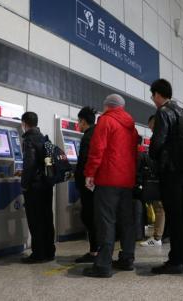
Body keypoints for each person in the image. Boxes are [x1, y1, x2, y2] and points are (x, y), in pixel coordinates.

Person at [82, 94, 138, 278]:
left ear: (107, 106)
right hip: (127, 180)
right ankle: (127, 258)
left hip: (108, 179)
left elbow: (97, 149)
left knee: (106, 220)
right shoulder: (131, 127)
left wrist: (90, 173)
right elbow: (135, 154)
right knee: (126, 221)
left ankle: (103, 265)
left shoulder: (106, 121)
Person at [149, 79, 183, 274]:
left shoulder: (163, 112)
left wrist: (153, 154)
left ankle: (175, 261)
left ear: (158, 94)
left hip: (172, 171)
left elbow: (158, 142)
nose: (153, 99)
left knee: (174, 216)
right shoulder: (182, 111)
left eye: (153, 95)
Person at [20, 112, 55, 263]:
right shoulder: (44, 138)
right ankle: (49, 251)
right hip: (46, 184)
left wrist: (24, 185)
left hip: (35, 186)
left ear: (24, 123)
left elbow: (29, 164)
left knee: (35, 220)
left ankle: (38, 253)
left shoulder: (29, 139)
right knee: (47, 217)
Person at [74, 106, 97, 263]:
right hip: (97, 183)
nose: (78, 125)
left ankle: (94, 251)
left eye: (78, 122)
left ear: (83, 121)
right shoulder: (97, 133)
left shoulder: (87, 137)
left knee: (88, 216)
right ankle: (97, 250)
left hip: (88, 184)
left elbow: (83, 162)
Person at [140, 115, 165, 247]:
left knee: (159, 207)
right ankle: (160, 235)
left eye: (150, 125)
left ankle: (157, 237)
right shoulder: (167, 135)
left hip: (159, 178)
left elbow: (155, 159)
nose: (149, 128)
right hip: (166, 177)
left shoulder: (159, 137)